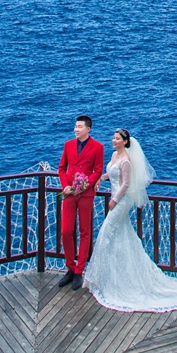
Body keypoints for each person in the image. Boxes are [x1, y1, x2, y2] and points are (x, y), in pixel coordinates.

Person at [85, 128, 177, 312]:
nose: (113, 140)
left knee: (107, 231)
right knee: (122, 234)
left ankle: (102, 277)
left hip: (122, 200)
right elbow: (113, 173)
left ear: (125, 141)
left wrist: (114, 200)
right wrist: (101, 178)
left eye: (117, 138)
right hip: (116, 197)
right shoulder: (114, 156)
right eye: (113, 138)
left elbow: (126, 183)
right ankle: (115, 276)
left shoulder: (126, 160)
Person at [57, 115, 106, 291]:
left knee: (85, 231)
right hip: (70, 193)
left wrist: (84, 185)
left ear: (88, 129)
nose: (76, 129)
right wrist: (66, 186)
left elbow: (97, 170)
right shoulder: (68, 145)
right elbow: (61, 168)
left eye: (79, 127)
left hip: (86, 193)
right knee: (66, 231)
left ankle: (79, 270)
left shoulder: (98, 147)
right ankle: (70, 267)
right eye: (75, 126)